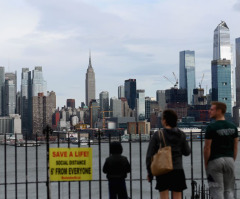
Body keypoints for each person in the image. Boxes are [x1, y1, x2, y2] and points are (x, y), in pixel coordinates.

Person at [146, 109, 191, 199]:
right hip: (177, 169)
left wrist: (150, 173)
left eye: (162, 119)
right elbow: (187, 152)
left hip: (163, 170)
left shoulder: (158, 134)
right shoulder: (181, 134)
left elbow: (149, 155)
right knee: (178, 196)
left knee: (164, 196)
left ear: (165, 121)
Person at [204, 101, 238, 199]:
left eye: (212, 109)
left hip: (214, 161)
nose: (209, 111)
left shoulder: (211, 127)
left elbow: (207, 148)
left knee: (216, 191)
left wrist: (206, 163)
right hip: (229, 161)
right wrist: (232, 160)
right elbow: (235, 147)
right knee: (229, 190)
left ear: (219, 111)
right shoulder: (233, 127)